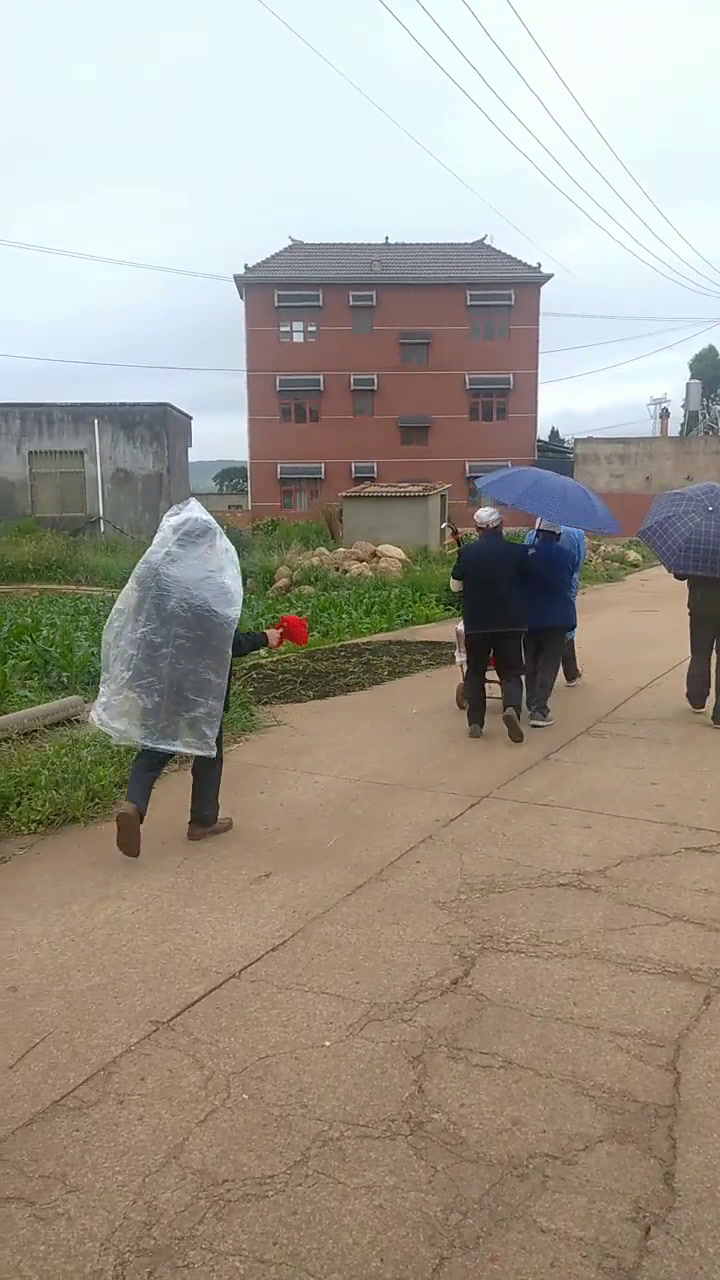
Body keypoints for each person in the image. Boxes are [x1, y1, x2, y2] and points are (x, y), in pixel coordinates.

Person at [115, 624, 282, 858]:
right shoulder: (213, 602)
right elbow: (228, 642)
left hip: (164, 683)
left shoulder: (162, 601)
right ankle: (203, 821)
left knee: (155, 749)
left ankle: (133, 804)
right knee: (209, 754)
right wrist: (265, 637)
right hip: (203, 689)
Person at [450, 506, 530, 743]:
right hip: (511, 622)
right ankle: (511, 709)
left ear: (477, 529)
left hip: (477, 623)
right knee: (511, 671)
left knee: (475, 672)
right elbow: (529, 581)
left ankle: (475, 722)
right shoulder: (518, 552)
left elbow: (455, 586)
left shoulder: (467, 553)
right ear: (501, 526)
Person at [523, 519, 577, 728]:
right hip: (557, 618)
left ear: (537, 534)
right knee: (549, 663)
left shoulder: (525, 554)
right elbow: (568, 579)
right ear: (558, 536)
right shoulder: (568, 556)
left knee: (531, 661)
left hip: (529, 616)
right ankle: (539, 709)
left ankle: (531, 703)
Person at [525, 521, 586, 685]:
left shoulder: (532, 534)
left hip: (536, 587)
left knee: (537, 624)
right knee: (562, 625)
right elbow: (578, 564)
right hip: (565, 584)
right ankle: (570, 671)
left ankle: (535, 672)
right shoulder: (576, 533)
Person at [674, 571, 720, 726]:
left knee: (700, 654)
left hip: (701, 606)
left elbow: (680, 574)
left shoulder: (698, 555)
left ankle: (697, 698)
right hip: (701, 607)